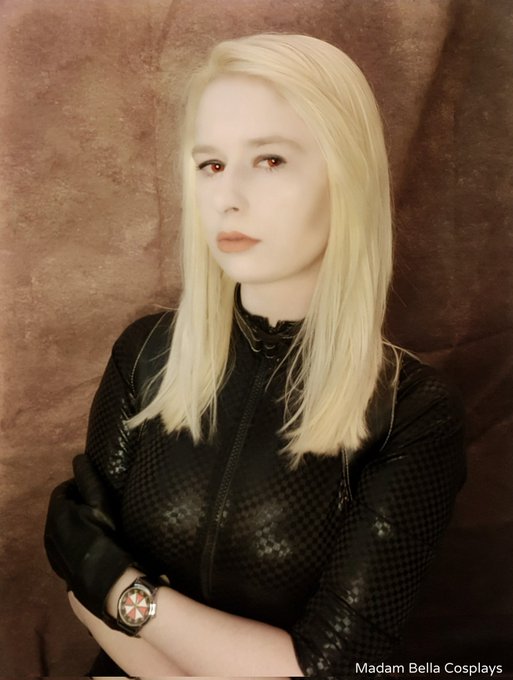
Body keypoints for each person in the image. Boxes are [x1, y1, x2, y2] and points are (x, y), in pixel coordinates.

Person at [44, 33, 466, 678]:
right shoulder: (146, 356)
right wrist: (106, 587)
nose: (228, 196)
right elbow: (80, 582)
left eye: (269, 160)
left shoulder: (413, 413)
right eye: (211, 165)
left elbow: (329, 667)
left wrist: (129, 595)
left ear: (347, 177)